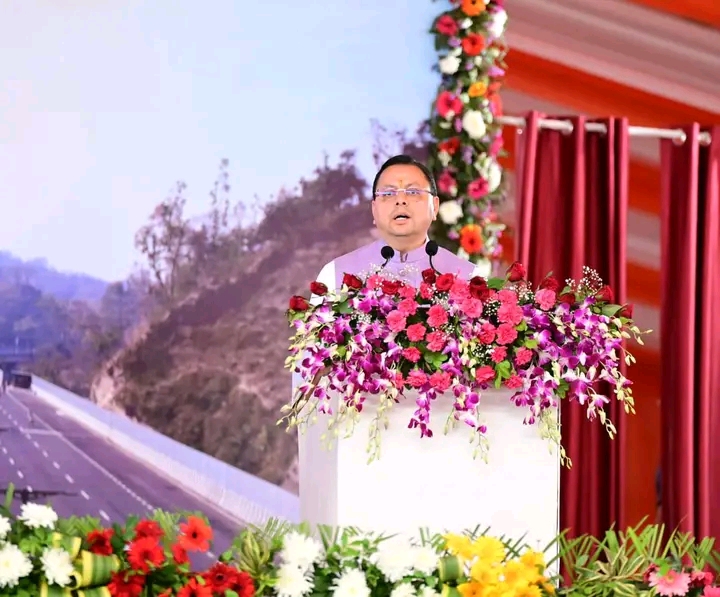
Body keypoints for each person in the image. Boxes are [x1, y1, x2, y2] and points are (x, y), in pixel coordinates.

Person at [314, 154, 480, 291]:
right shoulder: (335, 275)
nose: (400, 200)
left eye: (413, 192)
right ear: (374, 209)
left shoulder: (469, 279)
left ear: (435, 206)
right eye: (388, 193)